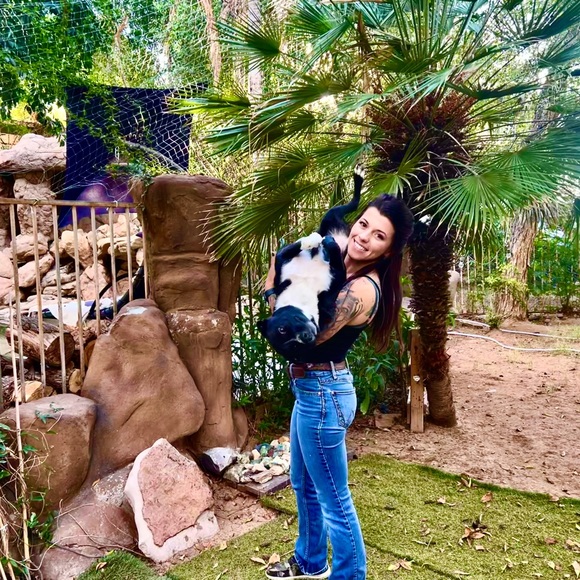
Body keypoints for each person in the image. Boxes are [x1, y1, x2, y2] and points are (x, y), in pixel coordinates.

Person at [263, 194, 414, 580]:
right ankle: (310, 561)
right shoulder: (337, 260)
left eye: (379, 235)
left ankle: (350, 575)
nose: (364, 237)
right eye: (363, 224)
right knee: (303, 483)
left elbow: (300, 338)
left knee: (334, 499)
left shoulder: (362, 290)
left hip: (324, 393)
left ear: (388, 250)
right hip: (310, 389)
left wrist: (275, 284)